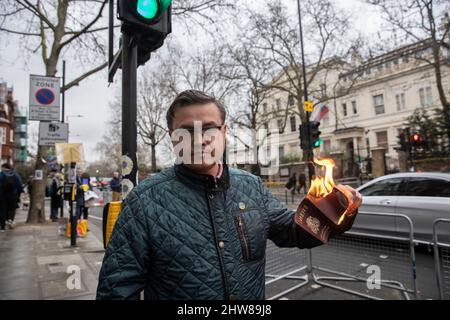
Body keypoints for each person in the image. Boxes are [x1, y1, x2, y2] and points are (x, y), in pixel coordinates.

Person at [96, 90, 362, 300]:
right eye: (187, 131)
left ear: (223, 132)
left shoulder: (252, 186)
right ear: (172, 137)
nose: (200, 140)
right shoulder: (144, 201)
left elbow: (292, 232)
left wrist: (336, 215)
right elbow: (117, 289)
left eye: (209, 129)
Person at [0, 163, 23, 231]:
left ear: (4, 167)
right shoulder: (15, 175)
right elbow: (19, 185)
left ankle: (2, 227)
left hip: (2, 195)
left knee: (2, 210)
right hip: (13, 195)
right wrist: (18, 194)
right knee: (12, 209)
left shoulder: (1, 174)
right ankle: (10, 220)